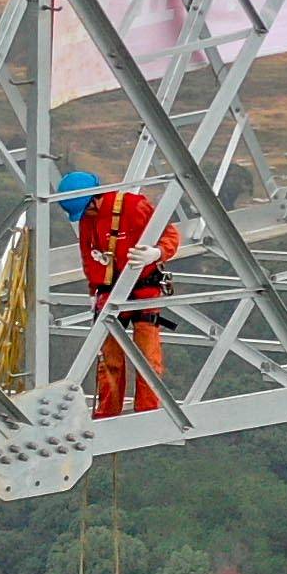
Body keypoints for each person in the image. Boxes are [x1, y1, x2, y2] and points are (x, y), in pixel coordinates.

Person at [67, 170, 178, 417]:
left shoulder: (133, 206)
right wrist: (92, 291)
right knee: (110, 359)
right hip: (109, 291)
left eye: (88, 211)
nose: (86, 217)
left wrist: (157, 253)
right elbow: (89, 256)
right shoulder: (88, 220)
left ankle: (147, 411)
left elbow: (170, 235)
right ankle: (108, 412)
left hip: (144, 288)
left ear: (95, 198)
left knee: (147, 354)